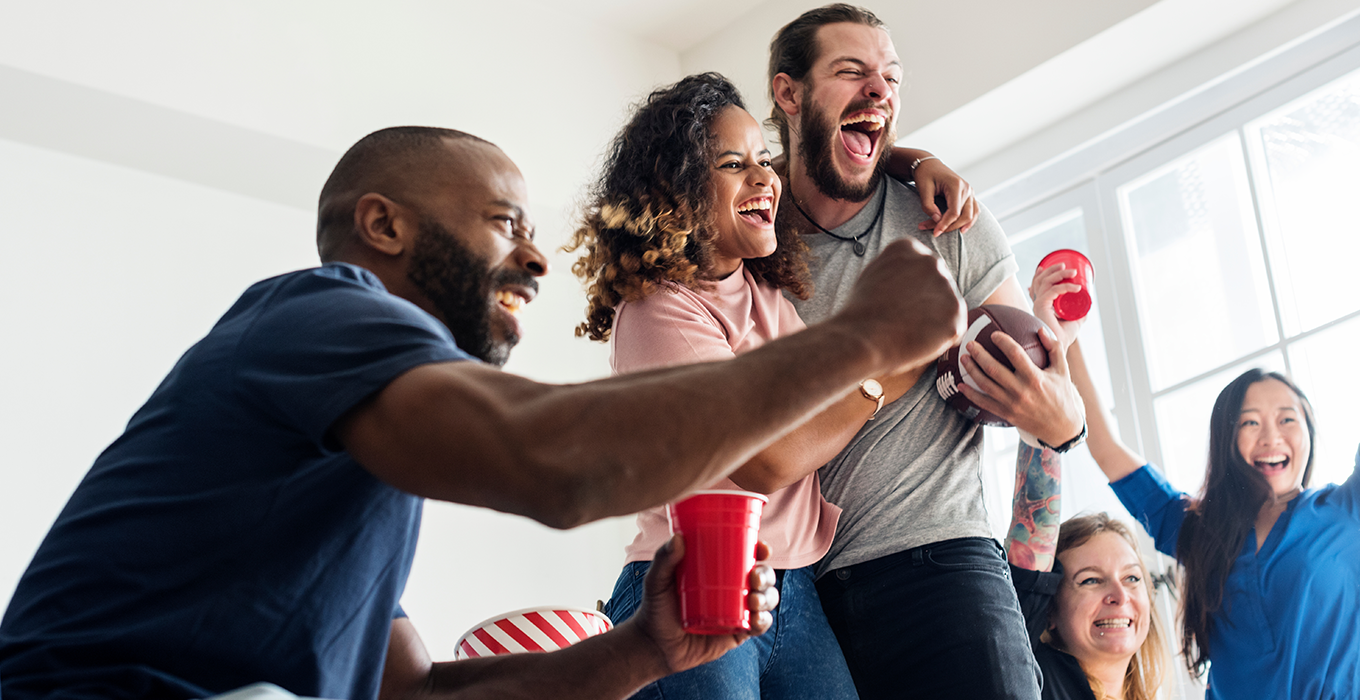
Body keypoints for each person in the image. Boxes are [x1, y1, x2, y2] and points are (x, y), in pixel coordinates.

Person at [0, 127, 968, 700]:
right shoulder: (321, 309)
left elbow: (418, 694)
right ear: (385, 225)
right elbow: (556, 459)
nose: (539, 260)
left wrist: (641, 648)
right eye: (507, 224)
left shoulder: (355, 445)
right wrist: (864, 339)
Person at [762, 5, 1087, 698]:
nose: (879, 91)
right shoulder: (751, 243)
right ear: (787, 93)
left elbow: (1054, 401)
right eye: (851, 72)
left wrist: (1061, 421)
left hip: (948, 571)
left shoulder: (950, 221)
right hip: (807, 601)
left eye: (891, 78)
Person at [569, 72, 918, 699]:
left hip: (791, 589)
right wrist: (880, 381)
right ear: (674, 193)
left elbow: (822, 164)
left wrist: (917, 162)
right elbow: (768, 459)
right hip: (689, 583)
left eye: (765, 160)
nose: (765, 178)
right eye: (735, 164)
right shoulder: (658, 310)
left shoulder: (763, 292)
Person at [1062, 279, 1360, 699]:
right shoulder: (1200, 531)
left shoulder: (1347, 509)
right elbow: (1107, 449)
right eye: (1250, 422)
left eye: (1288, 419)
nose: (1271, 436)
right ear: (1227, 439)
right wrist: (1068, 337)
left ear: (1309, 434)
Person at [995, 267, 1167, 700]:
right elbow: (1030, 540)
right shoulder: (1031, 676)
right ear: (1049, 611)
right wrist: (1051, 347)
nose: (1118, 595)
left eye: (1132, 579)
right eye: (1090, 580)